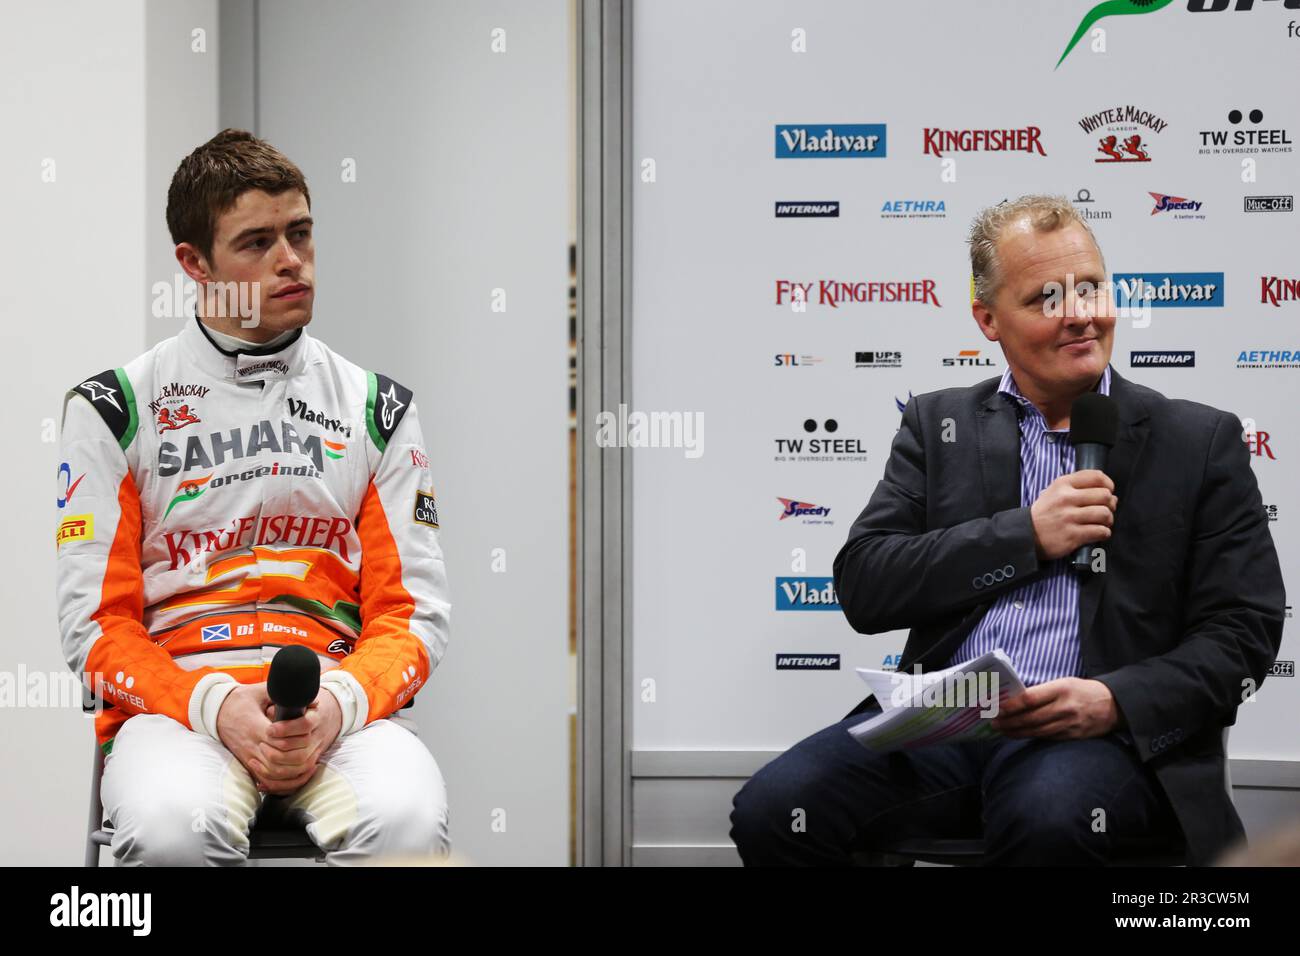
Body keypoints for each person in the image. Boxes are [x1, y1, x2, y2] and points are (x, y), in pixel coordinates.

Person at [730, 194, 1285, 866]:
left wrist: (1113, 700)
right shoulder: (939, 427)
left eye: (1091, 288)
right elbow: (866, 585)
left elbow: (1242, 635)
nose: (1080, 314)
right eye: (1047, 296)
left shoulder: (1197, 440)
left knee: (1049, 818)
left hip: (1103, 743)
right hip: (947, 731)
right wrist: (1026, 535)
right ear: (988, 320)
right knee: (776, 809)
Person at [55, 129, 452, 865]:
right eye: (257, 242)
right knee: (171, 829)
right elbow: (96, 630)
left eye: (300, 233)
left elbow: (414, 617)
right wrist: (212, 706)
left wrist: (335, 709)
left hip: (338, 714)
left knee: (407, 824)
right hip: (181, 717)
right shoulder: (114, 409)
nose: (290, 261)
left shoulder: (377, 409)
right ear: (193, 263)